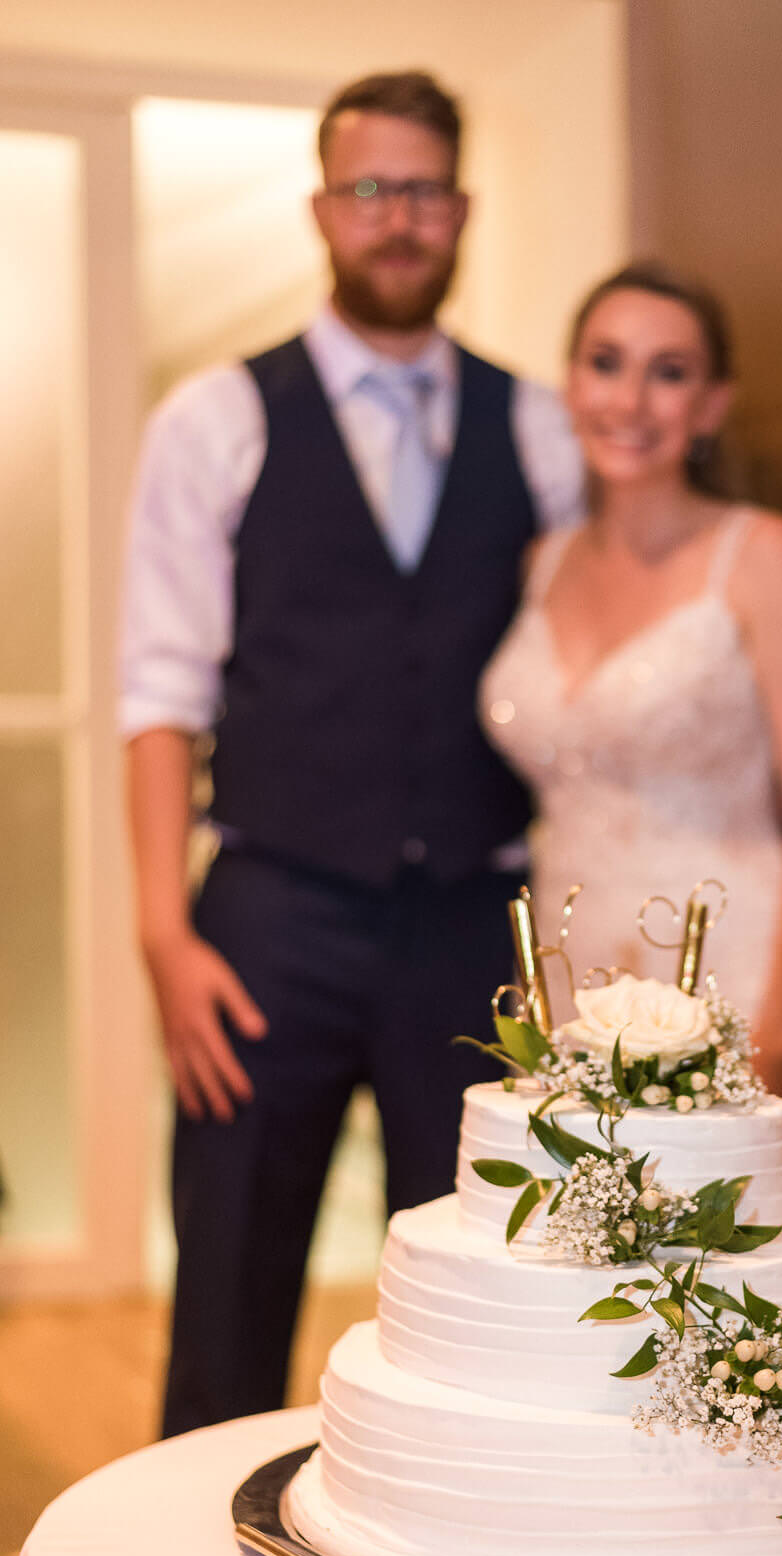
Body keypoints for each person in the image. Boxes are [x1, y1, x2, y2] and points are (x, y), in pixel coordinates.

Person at [121, 71, 583, 1437]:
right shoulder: (216, 419)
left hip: (466, 924)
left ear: (462, 212)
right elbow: (160, 689)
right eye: (370, 189)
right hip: (269, 914)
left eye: (424, 191)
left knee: (475, 1286)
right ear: (323, 208)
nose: (398, 218)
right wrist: (163, 931)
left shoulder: (543, 428)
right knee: (228, 1285)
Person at [479, 261, 782, 1399]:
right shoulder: (541, 562)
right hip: (574, 976)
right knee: (593, 1267)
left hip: (732, 967)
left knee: (748, 1285)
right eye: (607, 364)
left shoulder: (763, 558)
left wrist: (781, 1020)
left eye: (671, 374)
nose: (633, 400)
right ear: (570, 383)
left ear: (710, 405)